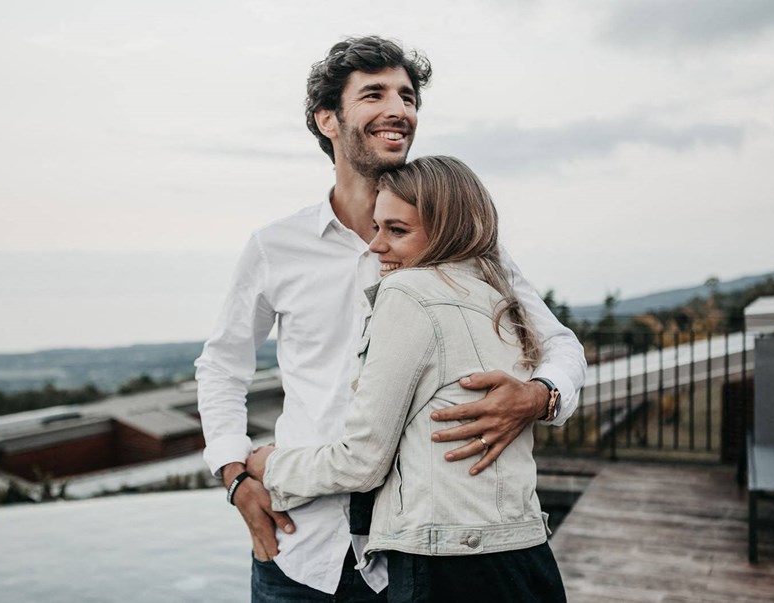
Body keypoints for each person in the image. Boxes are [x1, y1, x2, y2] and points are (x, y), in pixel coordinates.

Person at [195, 36, 586, 601]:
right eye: (374, 94)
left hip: (420, 559)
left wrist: (541, 396)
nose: (399, 109)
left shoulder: (465, 247)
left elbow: (559, 343)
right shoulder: (275, 246)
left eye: (407, 96)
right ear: (327, 119)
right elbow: (222, 367)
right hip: (300, 548)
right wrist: (234, 477)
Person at [245, 155, 567, 602]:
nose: (376, 246)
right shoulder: (498, 296)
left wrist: (269, 466)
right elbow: (562, 345)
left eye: (397, 231)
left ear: (449, 230)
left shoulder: (407, 292)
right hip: (525, 552)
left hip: (447, 565)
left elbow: (362, 460)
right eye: (378, 228)